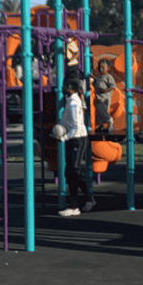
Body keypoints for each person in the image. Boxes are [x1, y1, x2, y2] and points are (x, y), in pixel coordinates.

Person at [56, 77, 94, 216]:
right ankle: (88, 199)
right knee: (72, 172)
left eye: (65, 86)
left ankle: (74, 206)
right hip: (76, 138)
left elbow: (76, 126)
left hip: (77, 139)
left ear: (70, 88)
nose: (62, 89)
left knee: (73, 172)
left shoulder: (73, 102)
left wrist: (64, 137)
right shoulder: (74, 99)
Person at [93, 58, 116, 132]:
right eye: (100, 67)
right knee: (98, 112)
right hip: (98, 96)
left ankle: (109, 120)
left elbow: (113, 86)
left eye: (103, 67)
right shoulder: (99, 77)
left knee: (102, 109)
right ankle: (101, 125)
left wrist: (105, 90)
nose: (101, 69)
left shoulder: (108, 76)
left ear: (108, 68)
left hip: (104, 97)